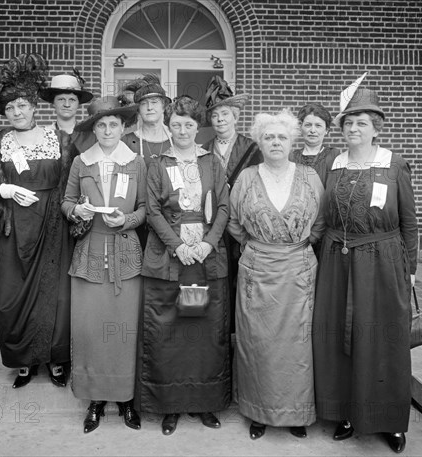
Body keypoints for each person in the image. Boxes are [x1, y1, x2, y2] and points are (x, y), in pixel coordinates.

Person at [312, 81, 418, 454]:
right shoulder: (335, 165)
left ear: (376, 128)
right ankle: (344, 413)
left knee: (381, 341)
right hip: (337, 260)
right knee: (337, 338)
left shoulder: (393, 164)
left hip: (383, 261)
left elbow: (409, 221)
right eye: (348, 124)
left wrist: (411, 268)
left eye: (361, 123)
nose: (354, 129)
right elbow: (324, 216)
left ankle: (388, 420)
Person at [0, 53, 73, 389]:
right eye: (10, 108)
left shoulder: (58, 140)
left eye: (22, 106)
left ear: (34, 107)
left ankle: (56, 360)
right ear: (4, 112)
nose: (17, 113)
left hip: (53, 228)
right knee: (11, 295)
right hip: (12, 230)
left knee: (56, 294)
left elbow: (73, 181)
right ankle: (24, 362)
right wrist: (5, 188)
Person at [135, 96, 231, 436]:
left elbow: (223, 207)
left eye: (189, 124)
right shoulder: (157, 164)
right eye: (176, 124)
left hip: (204, 261)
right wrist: (177, 247)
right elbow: (152, 211)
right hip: (171, 261)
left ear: (197, 126)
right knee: (170, 332)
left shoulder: (212, 163)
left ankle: (204, 403)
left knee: (203, 329)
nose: (182, 130)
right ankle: (170, 407)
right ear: (169, 126)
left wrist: (207, 244)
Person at [227, 109, 324, 441]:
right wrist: (261, 247)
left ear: (292, 140)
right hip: (258, 270)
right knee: (259, 343)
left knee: (298, 345)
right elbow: (234, 223)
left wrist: (293, 247)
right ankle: (258, 411)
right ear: (259, 141)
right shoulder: (246, 178)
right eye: (269, 136)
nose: (276, 142)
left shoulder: (310, 176)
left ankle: (296, 413)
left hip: (298, 270)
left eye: (282, 136)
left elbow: (321, 221)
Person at [61, 96, 146, 434]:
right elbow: (66, 201)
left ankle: (126, 400)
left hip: (125, 255)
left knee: (124, 332)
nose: (108, 130)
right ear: (93, 129)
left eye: (113, 124)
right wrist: (75, 211)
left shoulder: (137, 162)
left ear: (123, 128)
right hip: (90, 254)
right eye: (101, 125)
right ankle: (95, 400)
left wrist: (126, 219)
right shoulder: (82, 162)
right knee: (91, 331)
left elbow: (145, 209)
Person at [201, 75, 262, 335]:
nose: (220, 120)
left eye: (225, 113)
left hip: (241, 228)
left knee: (241, 286)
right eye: (215, 115)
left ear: (235, 115)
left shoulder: (252, 148)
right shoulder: (202, 149)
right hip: (210, 227)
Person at [122, 74, 173, 167]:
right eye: (144, 103)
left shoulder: (176, 138)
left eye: (154, 102)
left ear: (164, 105)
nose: (149, 107)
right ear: (138, 109)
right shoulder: (127, 141)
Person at [289, 103, 339, 185]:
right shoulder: (291, 157)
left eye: (318, 125)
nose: (312, 130)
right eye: (308, 125)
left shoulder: (333, 155)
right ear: (301, 128)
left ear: (326, 130)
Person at [40, 70, 94, 135]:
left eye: (72, 99)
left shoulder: (88, 136)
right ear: (53, 103)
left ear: (78, 103)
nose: (67, 104)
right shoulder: (43, 135)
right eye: (61, 99)